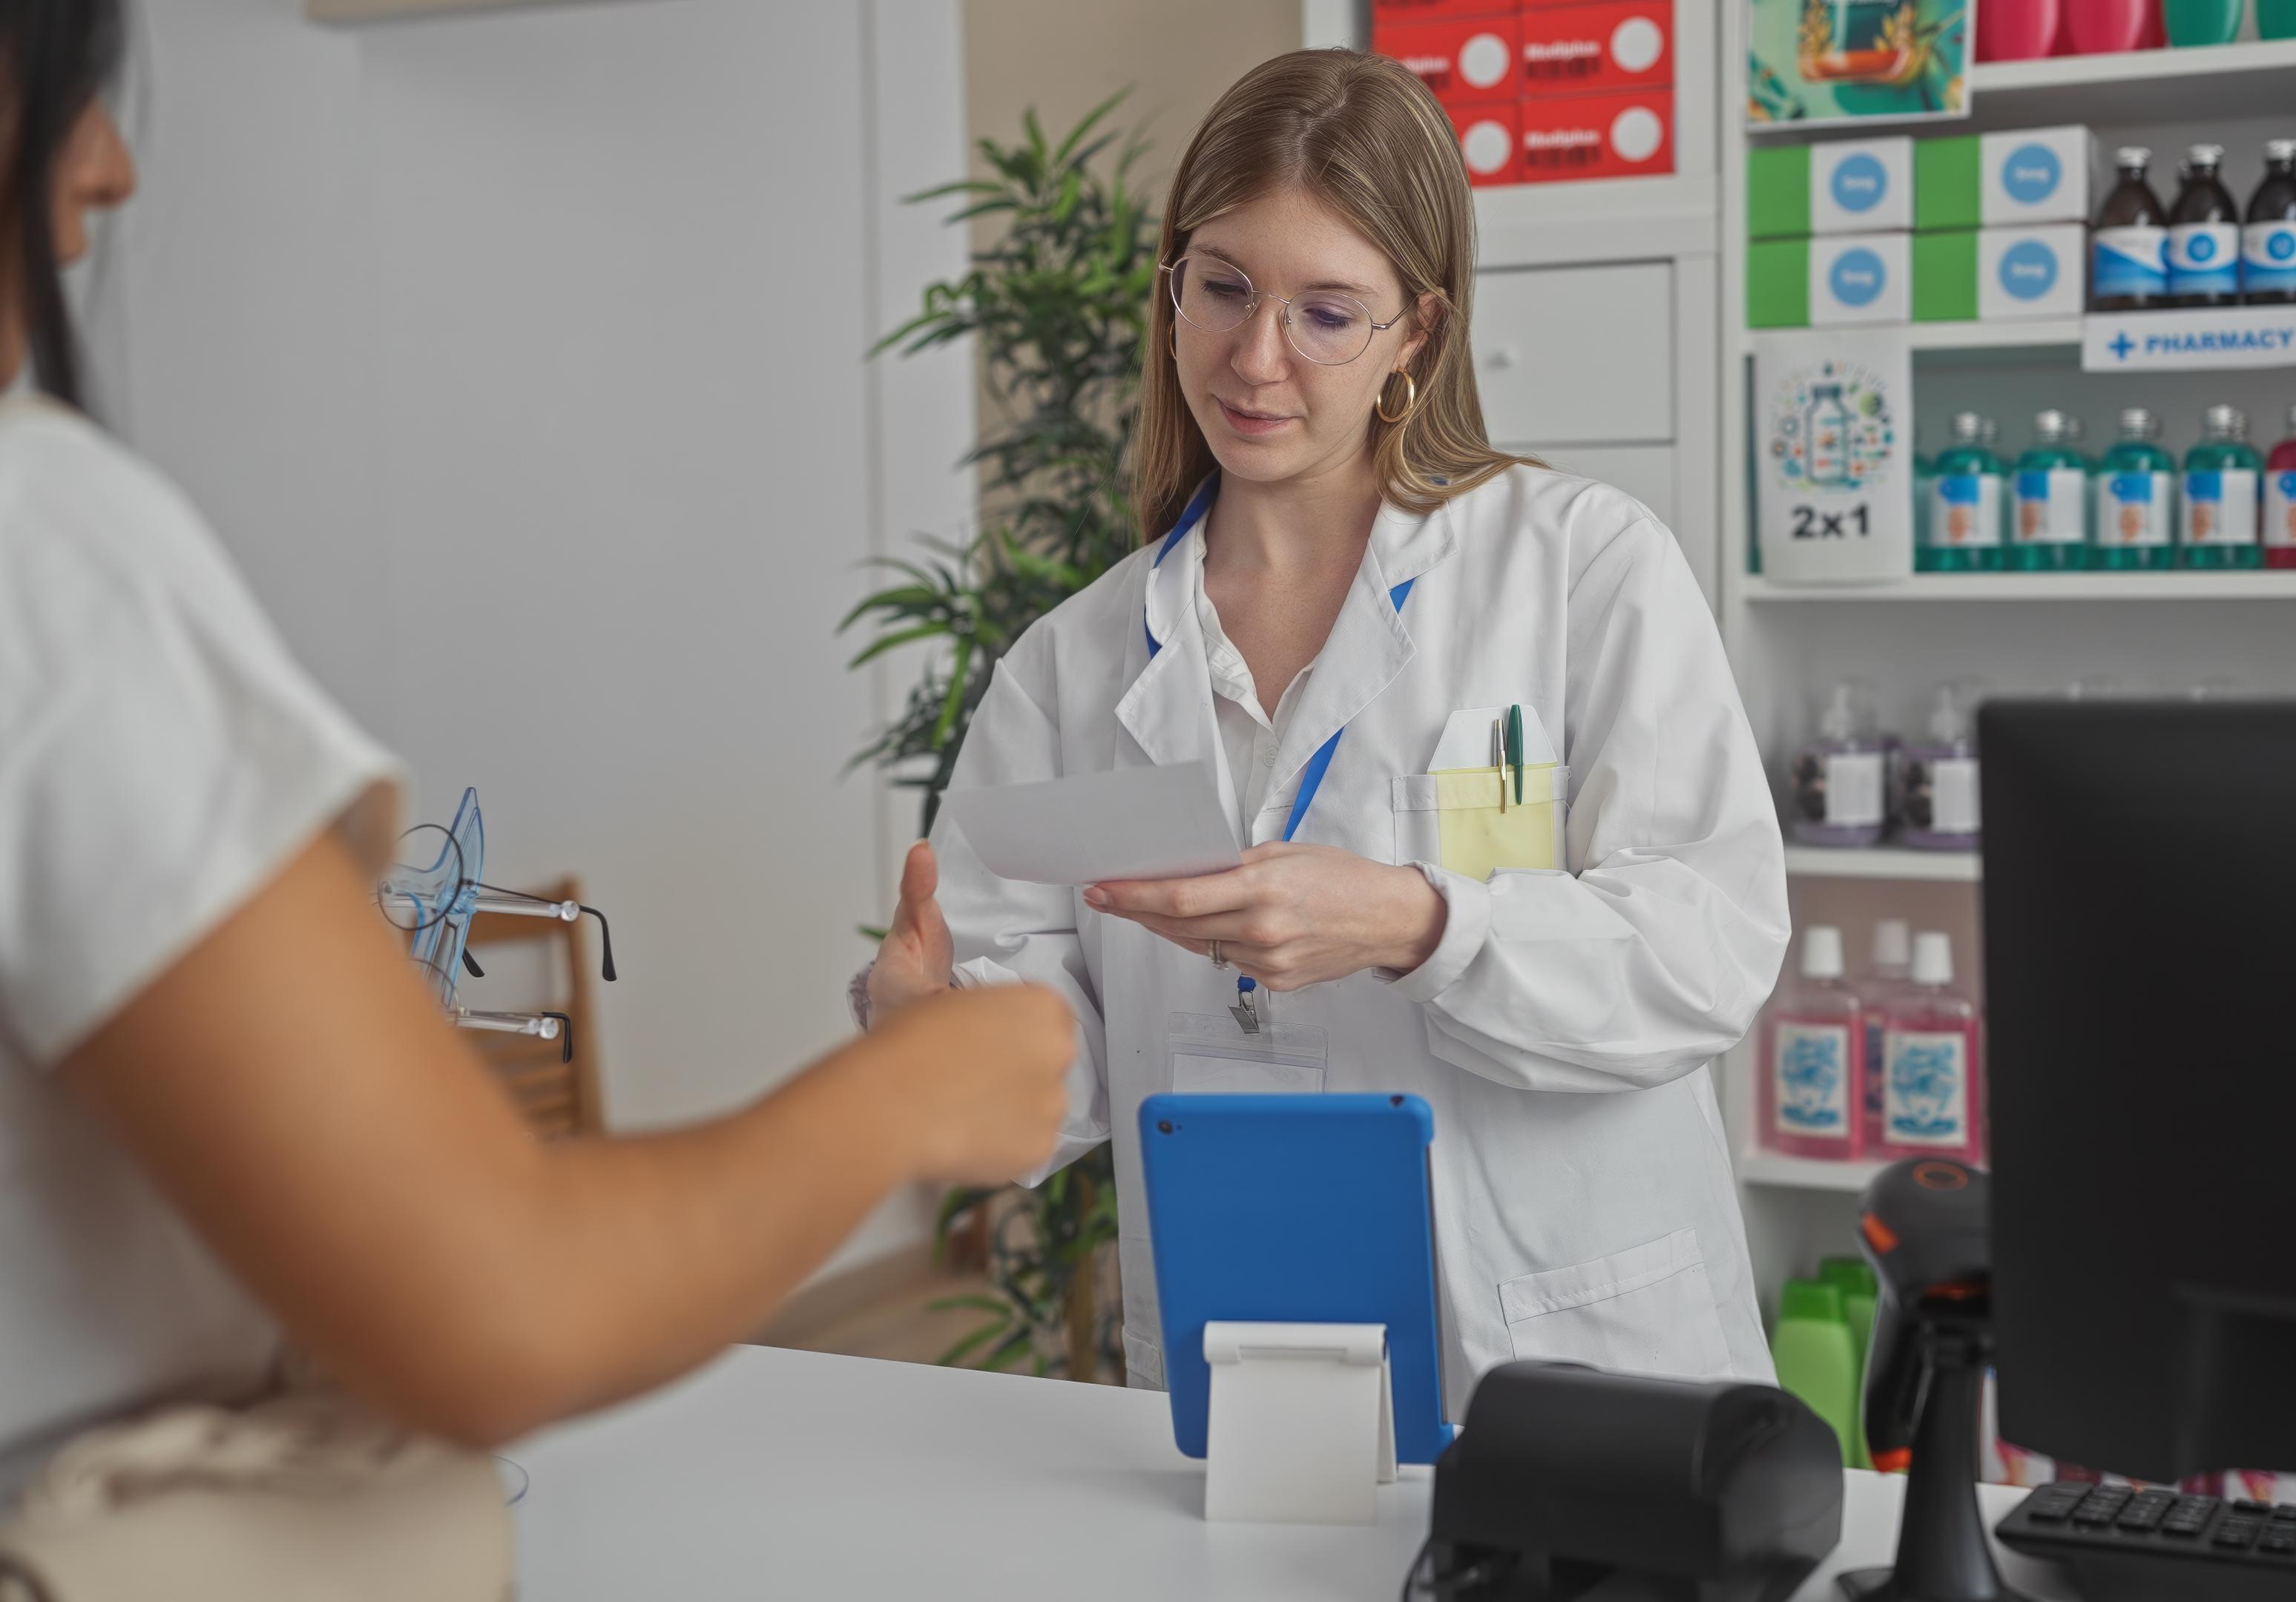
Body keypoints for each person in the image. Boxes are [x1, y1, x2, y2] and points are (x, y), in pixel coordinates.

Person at [0, 0, 1076, 1489]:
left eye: (1328, 309)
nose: (107, 169)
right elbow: (493, 1299)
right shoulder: (43, 554)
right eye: (1218, 293)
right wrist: (915, 1088)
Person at [864, 49, 1789, 1402]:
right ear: (1171, 283)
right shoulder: (1071, 666)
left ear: (1417, 330)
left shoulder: (1583, 566)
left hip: (1577, 1357)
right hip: (1254, 1352)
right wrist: (928, 1036)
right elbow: (1052, 1068)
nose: (1255, 359)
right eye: (1224, 287)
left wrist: (1421, 924)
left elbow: (1710, 953)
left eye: (1327, 313)